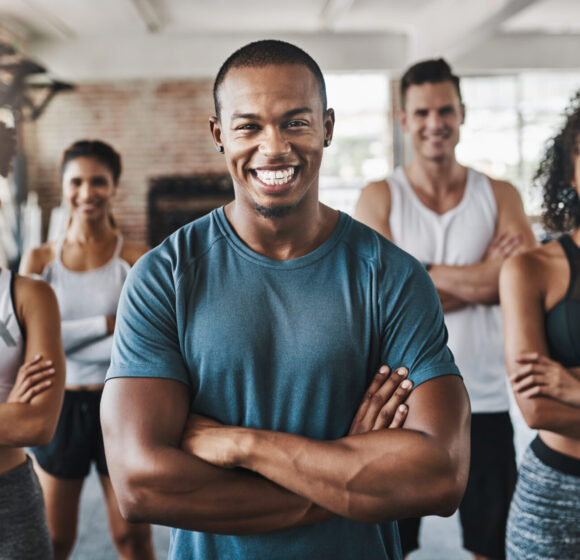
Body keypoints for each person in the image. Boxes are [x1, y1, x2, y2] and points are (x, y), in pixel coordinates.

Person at [100, 40, 470, 560]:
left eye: (296, 122)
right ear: (218, 135)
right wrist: (346, 479)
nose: (274, 147)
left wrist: (242, 445)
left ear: (328, 127)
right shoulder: (164, 277)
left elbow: (441, 474)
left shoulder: (391, 277)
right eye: (248, 126)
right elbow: (141, 485)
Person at [355, 58, 536, 560]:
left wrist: (419, 277)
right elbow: (380, 303)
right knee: (390, 545)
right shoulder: (378, 198)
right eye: (422, 112)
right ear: (403, 119)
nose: (435, 123)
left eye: (445, 110)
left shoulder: (499, 193)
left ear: (462, 113)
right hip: (401, 401)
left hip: (487, 400)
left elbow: (522, 285)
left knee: (491, 545)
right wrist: (486, 274)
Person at [19, 140, 154, 560]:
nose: (87, 192)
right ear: (64, 186)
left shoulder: (135, 258)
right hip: (58, 409)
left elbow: (142, 345)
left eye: (99, 181)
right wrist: (109, 325)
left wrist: (59, 334)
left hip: (120, 406)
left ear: (114, 187)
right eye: (76, 181)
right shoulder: (40, 261)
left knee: (131, 538)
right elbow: (31, 346)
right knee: (56, 539)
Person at [500, 91, 580, 560]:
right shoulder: (530, 269)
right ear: (571, 172)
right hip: (554, 497)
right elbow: (537, 410)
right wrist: (559, 392)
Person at [0, 120, 65, 560]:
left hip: (11, 498)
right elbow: (17, 421)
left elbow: (37, 425)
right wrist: (8, 412)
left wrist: (18, 419)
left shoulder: (29, 296)